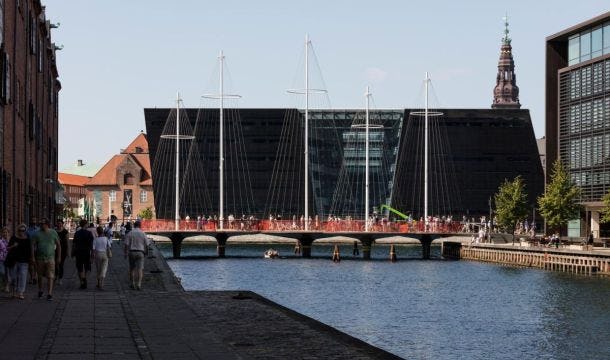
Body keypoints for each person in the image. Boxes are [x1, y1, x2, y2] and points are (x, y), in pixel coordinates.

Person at [31, 218, 61, 301]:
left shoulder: (53, 232)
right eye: (40, 224)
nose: (41, 225)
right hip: (40, 258)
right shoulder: (37, 234)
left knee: (50, 276)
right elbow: (32, 246)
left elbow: (58, 245)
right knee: (40, 276)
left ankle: (49, 293)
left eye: (43, 224)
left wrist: (59, 257)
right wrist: (33, 257)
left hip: (50, 257)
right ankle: (40, 290)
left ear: (47, 224)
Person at [6, 224, 32, 299]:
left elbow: (29, 250)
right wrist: (13, 246)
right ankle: (14, 292)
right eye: (20, 230)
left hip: (24, 261)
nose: (21, 232)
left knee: (23, 277)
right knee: (13, 277)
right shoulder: (13, 238)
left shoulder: (27, 239)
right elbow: (7, 248)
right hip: (13, 260)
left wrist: (30, 259)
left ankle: (21, 292)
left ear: (25, 231)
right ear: (17, 230)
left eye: (23, 230)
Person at [123, 220, 150, 290]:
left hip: (132, 252)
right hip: (140, 252)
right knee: (140, 269)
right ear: (140, 226)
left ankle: (132, 283)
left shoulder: (130, 233)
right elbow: (147, 245)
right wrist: (147, 252)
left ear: (134, 225)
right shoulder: (143, 233)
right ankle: (139, 284)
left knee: (132, 269)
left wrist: (125, 253)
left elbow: (126, 244)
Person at [72, 219, 94, 289]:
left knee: (79, 268)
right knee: (87, 268)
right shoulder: (89, 233)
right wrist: (92, 253)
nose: (88, 225)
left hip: (78, 252)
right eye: (87, 224)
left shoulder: (77, 233)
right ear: (85, 224)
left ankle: (82, 282)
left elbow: (74, 244)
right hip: (87, 252)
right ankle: (85, 278)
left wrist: (72, 252)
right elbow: (91, 244)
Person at [55, 220, 69, 285]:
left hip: (63, 250)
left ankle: (60, 278)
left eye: (60, 223)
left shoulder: (65, 232)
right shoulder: (54, 231)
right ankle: (55, 276)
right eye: (58, 223)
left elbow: (67, 242)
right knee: (55, 264)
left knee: (61, 264)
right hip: (54, 250)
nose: (59, 225)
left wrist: (68, 251)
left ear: (62, 224)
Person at [0, 227, 9, 292]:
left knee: (7, 273)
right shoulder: (0, 241)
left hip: (8, 260)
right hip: (1, 259)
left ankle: (7, 286)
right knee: (2, 272)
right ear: (1, 233)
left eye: (6, 232)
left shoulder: (10, 241)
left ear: (8, 233)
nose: (5, 233)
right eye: (3, 232)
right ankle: (3, 283)